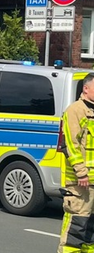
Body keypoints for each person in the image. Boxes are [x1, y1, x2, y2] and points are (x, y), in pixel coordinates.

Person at [58, 73, 94, 253]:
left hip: (92, 181)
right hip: (81, 181)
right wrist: (81, 172)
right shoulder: (75, 110)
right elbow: (71, 144)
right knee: (77, 224)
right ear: (86, 89)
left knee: (90, 228)